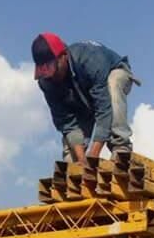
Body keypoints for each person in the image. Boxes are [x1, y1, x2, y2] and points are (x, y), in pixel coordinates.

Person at [32, 32, 139, 162]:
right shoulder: (47, 83)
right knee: (71, 160)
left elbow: (104, 110)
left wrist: (94, 154)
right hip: (82, 98)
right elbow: (68, 124)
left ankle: (121, 147)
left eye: (54, 70)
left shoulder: (90, 59)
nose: (52, 77)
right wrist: (82, 160)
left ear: (64, 56)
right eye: (47, 74)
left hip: (113, 76)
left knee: (114, 83)